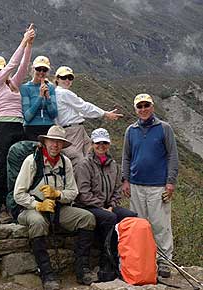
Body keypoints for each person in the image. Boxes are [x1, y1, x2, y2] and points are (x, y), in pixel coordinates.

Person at [14, 125, 96, 288]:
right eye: (52, 141)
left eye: (59, 142)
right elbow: (18, 194)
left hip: (58, 208)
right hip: (31, 209)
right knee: (38, 223)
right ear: (45, 142)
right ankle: (47, 273)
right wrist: (39, 204)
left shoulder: (65, 163)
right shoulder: (32, 161)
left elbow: (73, 192)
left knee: (87, 218)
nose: (55, 145)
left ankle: (82, 268)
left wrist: (58, 195)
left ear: (63, 145)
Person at [121, 93, 178, 278]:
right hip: (136, 186)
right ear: (135, 109)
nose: (143, 109)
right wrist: (125, 179)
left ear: (152, 107)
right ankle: (143, 261)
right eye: (140, 106)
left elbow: (172, 155)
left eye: (146, 105)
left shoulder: (164, 128)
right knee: (139, 225)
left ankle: (163, 262)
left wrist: (170, 182)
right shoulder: (131, 130)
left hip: (158, 186)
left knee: (160, 226)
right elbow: (126, 157)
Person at [74, 128, 137, 279]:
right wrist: (102, 207)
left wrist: (112, 205)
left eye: (104, 143)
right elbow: (83, 193)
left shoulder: (113, 165)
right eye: (98, 143)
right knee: (109, 218)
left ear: (108, 144)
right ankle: (107, 261)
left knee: (131, 217)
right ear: (92, 144)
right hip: (88, 206)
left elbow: (117, 189)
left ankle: (128, 260)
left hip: (108, 206)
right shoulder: (84, 165)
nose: (101, 146)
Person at [0, 25, 35, 223]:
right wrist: (23, 41)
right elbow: (13, 65)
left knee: (19, 164)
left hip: (18, 127)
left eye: (0, 69)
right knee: (1, 167)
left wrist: (29, 46)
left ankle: (15, 203)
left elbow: (23, 66)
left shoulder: (13, 84)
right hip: (2, 127)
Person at [53, 66, 123, 169]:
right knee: (79, 160)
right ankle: (81, 182)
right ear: (57, 79)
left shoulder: (57, 93)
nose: (67, 80)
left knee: (92, 154)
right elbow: (84, 107)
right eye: (64, 77)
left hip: (76, 129)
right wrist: (105, 114)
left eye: (70, 78)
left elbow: (77, 111)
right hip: (72, 131)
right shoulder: (64, 93)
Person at [20, 55, 58, 141]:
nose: (41, 72)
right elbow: (27, 116)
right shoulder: (25, 88)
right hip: (31, 129)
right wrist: (40, 96)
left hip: (49, 128)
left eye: (44, 70)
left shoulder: (51, 88)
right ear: (33, 69)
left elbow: (54, 115)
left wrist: (48, 98)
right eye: (38, 69)